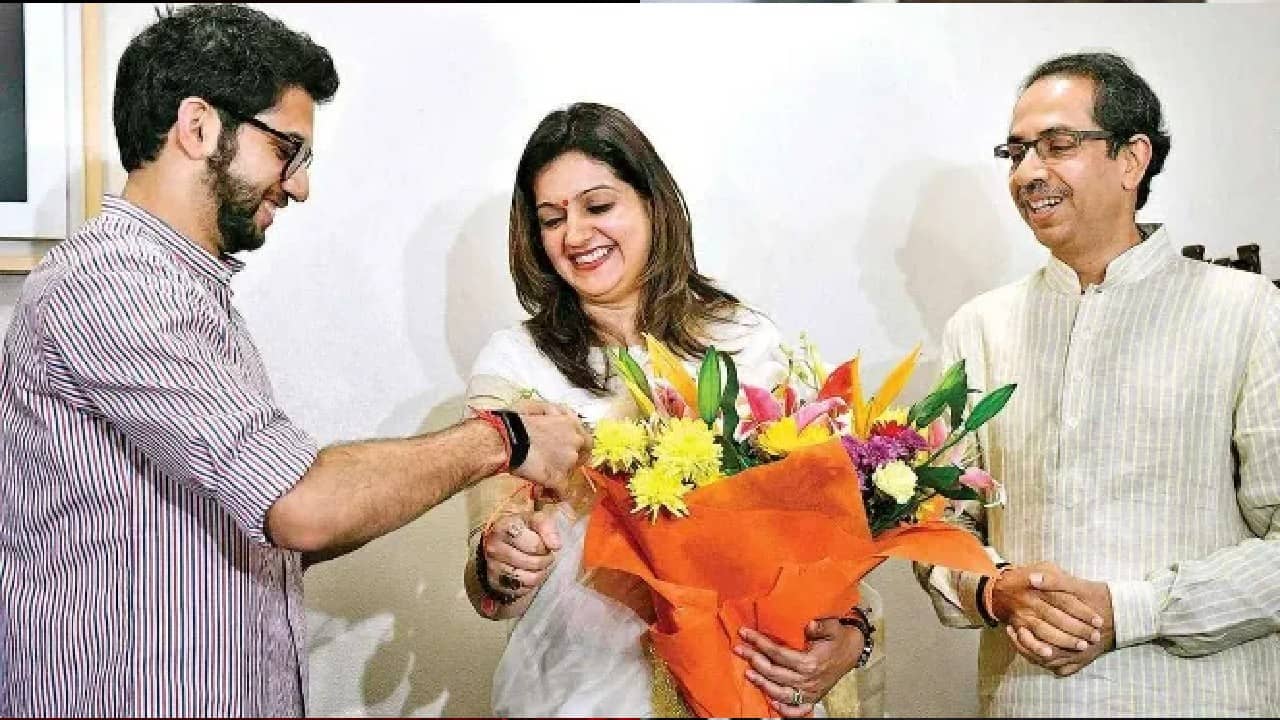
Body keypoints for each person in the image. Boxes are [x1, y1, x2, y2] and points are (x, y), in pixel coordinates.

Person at [0, 5, 589, 716]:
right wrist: (505, 438)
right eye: (288, 149)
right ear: (198, 127)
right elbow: (299, 507)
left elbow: (257, 525)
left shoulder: (184, 292)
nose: (299, 185)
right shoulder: (117, 284)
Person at [461, 102, 878, 718]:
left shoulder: (744, 341)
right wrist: (503, 561)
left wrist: (851, 634)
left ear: (653, 204)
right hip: (580, 689)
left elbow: (820, 536)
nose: (575, 235)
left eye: (598, 206)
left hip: (744, 682)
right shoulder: (516, 364)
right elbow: (490, 586)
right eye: (552, 219)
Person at [917, 51, 1280, 716]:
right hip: (1026, 699)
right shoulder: (979, 328)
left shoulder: (1248, 312)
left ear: (1132, 159)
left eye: (1057, 145)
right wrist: (994, 591)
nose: (1028, 173)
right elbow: (937, 525)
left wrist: (1128, 610)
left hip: (1201, 700)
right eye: (1016, 152)